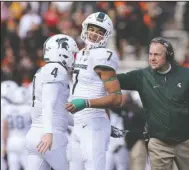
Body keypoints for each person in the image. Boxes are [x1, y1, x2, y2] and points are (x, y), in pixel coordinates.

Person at [117, 37, 189, 170]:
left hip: (186, 140)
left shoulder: (185, 74)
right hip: (158, 142)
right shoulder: (142, 76)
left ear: (168, 55)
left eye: (157, 54)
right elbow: (115, 79)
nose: (152, 58)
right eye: (150, 54)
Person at [65, 12, 122, 170]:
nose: (94, 34)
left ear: (106, 35)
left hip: (93, 125)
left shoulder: (104, 56)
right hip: (79, 124)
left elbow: (116, 98)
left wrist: (86, 103)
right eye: (92, 29)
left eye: (99, 32)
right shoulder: (82, 53)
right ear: (85, 28)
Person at [25, 34, 78, 170]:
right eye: (72, 53)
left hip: (34, 135)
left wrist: (86, 123)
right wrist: (48, 132)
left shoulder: (44, 70)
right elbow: (48, 104)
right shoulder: (56, 69)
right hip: (51, 135)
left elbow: (59, 111)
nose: (74, 57)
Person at [2, 86, 32, 170]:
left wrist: (5, 145)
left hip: (11, 141)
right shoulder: (29, 109)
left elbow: (5, 128)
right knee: (29, 166)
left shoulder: (7, 109)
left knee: (13, 167)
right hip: (24, 140)